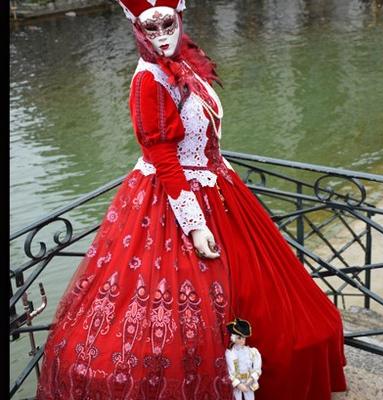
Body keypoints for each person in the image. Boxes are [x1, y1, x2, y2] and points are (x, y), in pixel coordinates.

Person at [36, 1, 347, 399]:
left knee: (291, 316)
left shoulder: (185, 65)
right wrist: (196, 225)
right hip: (173, 202)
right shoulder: (149, 80)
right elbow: (163, 158)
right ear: (138, 30)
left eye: (169, 25)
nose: (163, 36)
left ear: (181, 20)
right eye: (152, 29)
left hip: (220, 190)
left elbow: (205, 140)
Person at [225, 318, 262, 400]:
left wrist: (251, 379)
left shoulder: (251, 352)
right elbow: (230, 372)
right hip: (237, 384)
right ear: (234, 338)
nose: (242, 340)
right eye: (239, 338)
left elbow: (257, 369)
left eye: (244, 338)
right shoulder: (230, 353)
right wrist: (238, 384)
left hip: (249, 381)